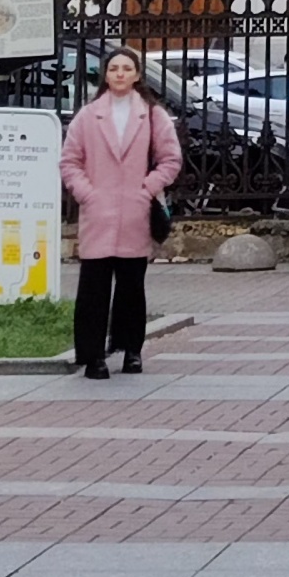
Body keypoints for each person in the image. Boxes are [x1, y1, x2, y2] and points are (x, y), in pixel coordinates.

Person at [59, 46, 183, 380]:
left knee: (131, 287)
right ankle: (93, 356)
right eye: (114, 68)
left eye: (126, 68)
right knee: (93, 289)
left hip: (134, 213)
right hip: (98, 214)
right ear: (106, 74)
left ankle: (131, 350)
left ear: (137, 74)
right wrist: (87, 194)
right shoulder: (88, 116)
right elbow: (70, 161)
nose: (119, 74)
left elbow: (171, 159)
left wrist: (147, 189)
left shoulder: (152, 114)